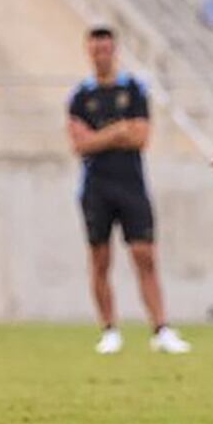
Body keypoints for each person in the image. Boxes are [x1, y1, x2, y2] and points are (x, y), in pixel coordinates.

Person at [68, 27, 188, 353]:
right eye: (95, 49)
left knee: (144, 255)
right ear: (88, 51)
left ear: (114, 50)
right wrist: (118, 131)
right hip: (95, 187)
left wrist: (101, 136)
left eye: (106, 49)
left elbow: (141, 136)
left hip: (131, 184)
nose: (101, 54)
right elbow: (80, 143)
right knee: (100, 258)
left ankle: (161, 329)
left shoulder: (133, 89)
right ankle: (109, 330)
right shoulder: (80, 96)